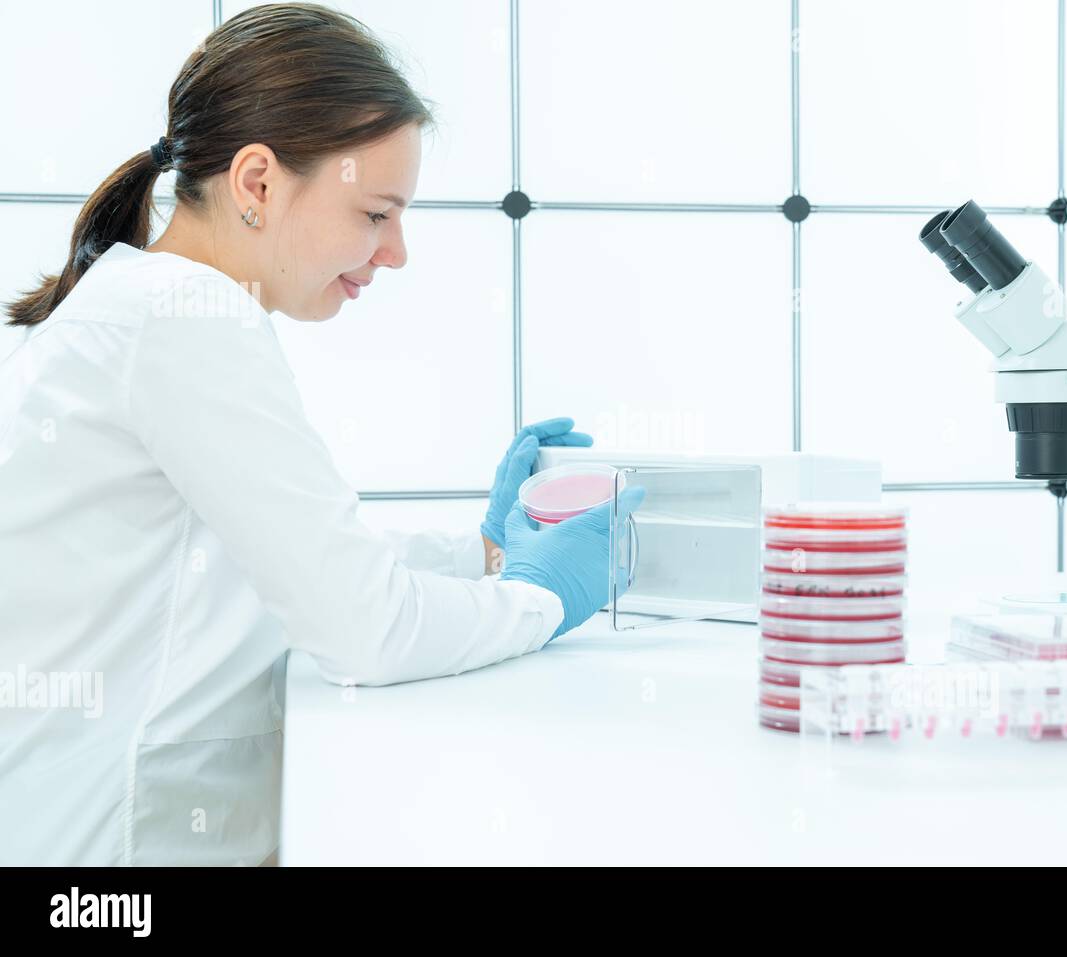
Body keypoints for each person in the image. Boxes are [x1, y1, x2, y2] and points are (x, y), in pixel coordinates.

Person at [0, 2, 640, 866]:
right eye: (377, 214)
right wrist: (541, 598)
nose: (397, 252)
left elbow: (285, 560)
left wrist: (483, 551)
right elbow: (363, 629)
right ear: (258, 183)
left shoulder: (146, 303)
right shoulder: (185, 322)